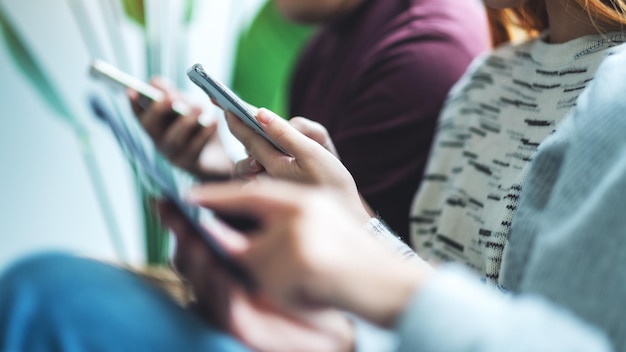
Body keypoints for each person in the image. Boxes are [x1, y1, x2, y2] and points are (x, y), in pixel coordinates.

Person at [3, 42, 626, 348]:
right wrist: (222, 171)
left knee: (50, 293)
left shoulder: (426, 52)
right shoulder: (486, 81)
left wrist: (355, 244)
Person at [229, 0, 626, 285]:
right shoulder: (485, 80)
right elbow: (434, 287)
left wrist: (351, 218)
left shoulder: (612, 101)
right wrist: (341, 202)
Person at [132, 0, 490, 241]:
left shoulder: (422, 55)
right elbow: (299, 219)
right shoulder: (327, 44)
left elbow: (331, 261)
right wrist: (212, 166)